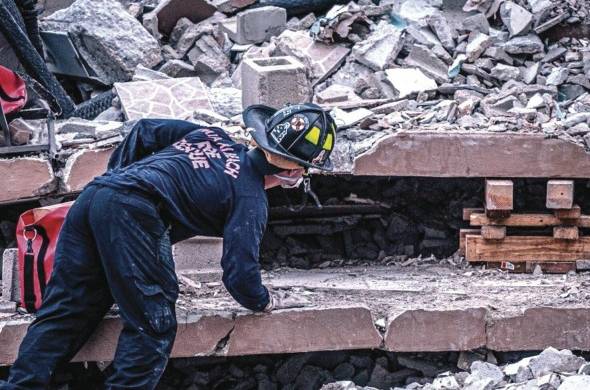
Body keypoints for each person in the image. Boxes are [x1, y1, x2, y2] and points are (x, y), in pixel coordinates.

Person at [1, 103, 337, 389]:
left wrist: (121, 181)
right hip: (135, 214)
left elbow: (145, 129)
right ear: (294, 169)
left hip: (94, 197)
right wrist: (264, 301)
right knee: (153, 324)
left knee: (69, 307)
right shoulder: (250, 198)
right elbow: (239, 273)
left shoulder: (211, 137)